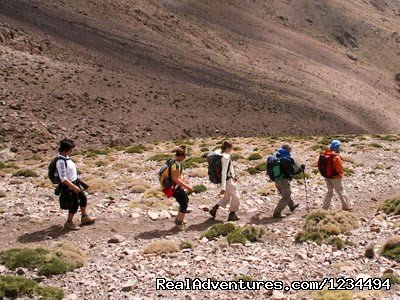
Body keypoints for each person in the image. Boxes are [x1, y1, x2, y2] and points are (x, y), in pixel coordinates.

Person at [56, 138, 95, 230]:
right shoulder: (60, 161)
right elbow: (63, 178)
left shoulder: (66, 158)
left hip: (75, 182)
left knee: (83, 198)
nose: (71, 151)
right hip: (69, 185)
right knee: (73, 204)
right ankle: (69, 222)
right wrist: (73, 187)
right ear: (65, 150)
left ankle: (84, 217)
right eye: (70, 150)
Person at [209, 141, 240, 221]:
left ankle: (214, 209)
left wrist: (233, 175)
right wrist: (223, 187)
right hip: (227, 181)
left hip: (226, 180)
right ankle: (232, 214)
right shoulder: (225, 157)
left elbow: (231, 166)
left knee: (226, 197)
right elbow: (224, 172)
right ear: (229, 148)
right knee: (236, 197)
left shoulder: (220, 153)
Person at [272, 144, 304, 219]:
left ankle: (291, 206)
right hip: (283, 180)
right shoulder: (285, 159)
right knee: (286, 196)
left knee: (285, 194)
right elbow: (292, 172)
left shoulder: (277, 155)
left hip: (277, 180)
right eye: (290, 150)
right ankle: (277, 213)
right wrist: (301, 169)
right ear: (287, 150)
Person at [322, 140, 352, 211]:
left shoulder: (326, 154)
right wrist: (340, 174)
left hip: (327, 176)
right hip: (335, 177)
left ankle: (324, 208)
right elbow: (339, 168)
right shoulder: (336, 157)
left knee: (329, 192)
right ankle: (346, 206)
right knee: (341, 191)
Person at [169, 145, 193, 227]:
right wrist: (188, 187)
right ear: (182, 156)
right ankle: (179, 223)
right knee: (184, 203)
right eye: (185, 156)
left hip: (170, 186)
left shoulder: (170, 160)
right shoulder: (176, 165)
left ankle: (179, 219)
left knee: (183, 200)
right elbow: (175, 179)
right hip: (174, 187)